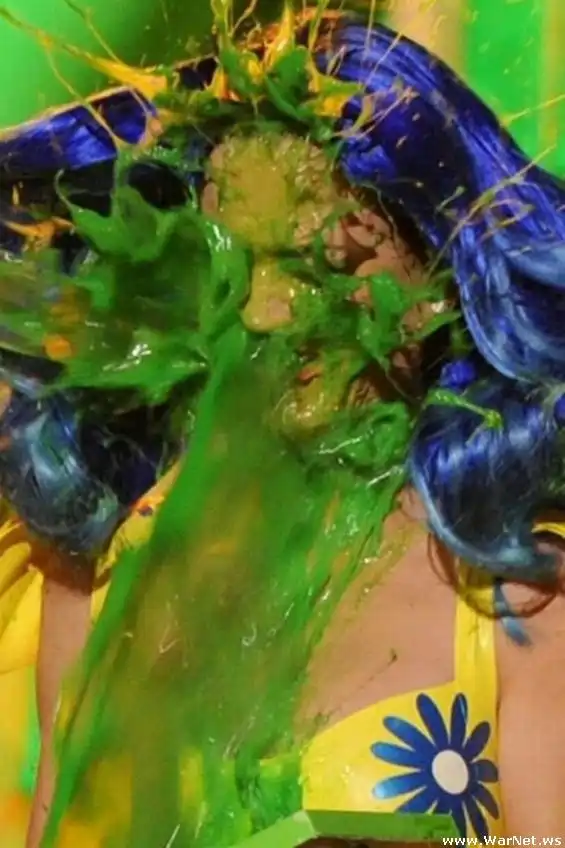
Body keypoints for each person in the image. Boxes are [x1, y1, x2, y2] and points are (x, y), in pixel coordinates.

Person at [1, 5, 565, 847]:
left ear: (437, 285)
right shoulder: (108, 572)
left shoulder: (519, 601)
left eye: (321, 269)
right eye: (236, 270)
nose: (270, 317)